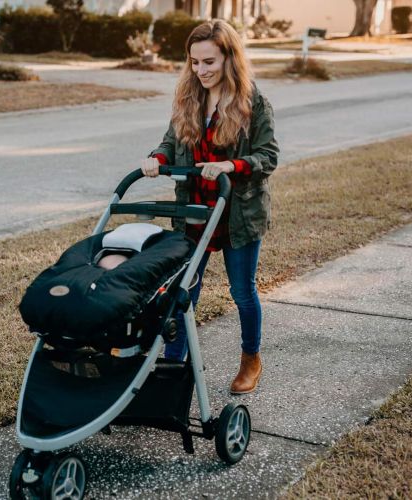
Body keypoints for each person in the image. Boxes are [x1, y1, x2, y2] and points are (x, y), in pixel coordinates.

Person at [141, 19, 279, 394]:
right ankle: (173, 363)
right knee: (184, 290)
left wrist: (230, 166)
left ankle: (251, 359)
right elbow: (171, 142)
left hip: (237, 213)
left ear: (229, 59)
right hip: (194, 210)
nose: (200, 70)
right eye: (194, 62)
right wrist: (156, 157)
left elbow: (268, 156)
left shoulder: (253, 103)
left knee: (242, 292)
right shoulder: (189, 97)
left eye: (209, 62)